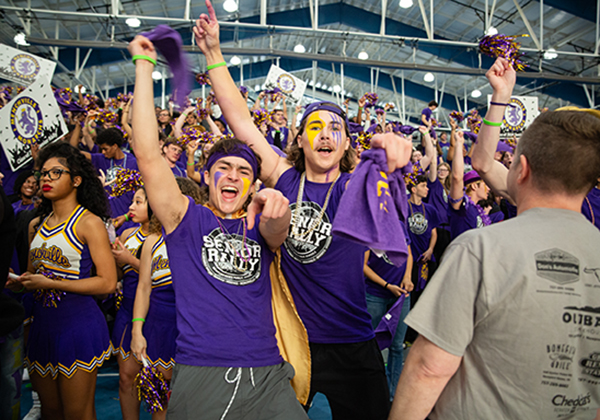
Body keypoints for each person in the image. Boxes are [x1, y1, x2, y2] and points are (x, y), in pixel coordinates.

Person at [192, 2, 413, 418]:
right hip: (293, 340)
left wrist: (391, 148)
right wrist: (214, 55)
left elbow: (385, 158)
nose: (325, 135)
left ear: (347, 144)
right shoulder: (285, 177)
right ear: (300, 141)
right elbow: (240, 120)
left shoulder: (354, 185)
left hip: (351, 338)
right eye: (316, 127)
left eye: (336, 129)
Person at [389, 57, 600, 420]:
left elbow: (429, 366)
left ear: (522, 170)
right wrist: (501, 97)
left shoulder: (480, 248)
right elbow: (483, 161)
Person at [128, 32, 308, 420]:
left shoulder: (261, 223)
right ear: (207, 178)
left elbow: (278, 232)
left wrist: (278, 209)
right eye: (222, 169)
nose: (233, 176)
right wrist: (145, 67)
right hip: (202, 373)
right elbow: (146, 153)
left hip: (269, 375)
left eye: (244, 171)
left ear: (253, 184)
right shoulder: (185, 218)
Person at [7, 142, 117, 420]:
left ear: (76, 180)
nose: (45, 178)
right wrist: (20, 282)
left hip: (77, 326)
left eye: (56, 173)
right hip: (42, 326)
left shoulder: (89, 223)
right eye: (43, 173)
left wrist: (51, 283)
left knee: (78, 413)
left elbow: (106, 283)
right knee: (51, 412)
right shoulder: (35, 224)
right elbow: (36, 275)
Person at [130, 178, 202, 420]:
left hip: (194, 324)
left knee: (196, 398)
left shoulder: (203, 235)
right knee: (159, 399)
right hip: (159, 323)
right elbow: (143, 288)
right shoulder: (152, 240)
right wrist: (137, 330)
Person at [110, 187, 151, 420]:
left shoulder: (167, 236)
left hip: (158, 311)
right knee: (126, 377)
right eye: (132, 201)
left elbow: (165, 277)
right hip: (127, 310)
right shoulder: (127, 234)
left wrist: (131, 260)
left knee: (162, 379)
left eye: (138, 202)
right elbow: (117, 275)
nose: (130, 207)